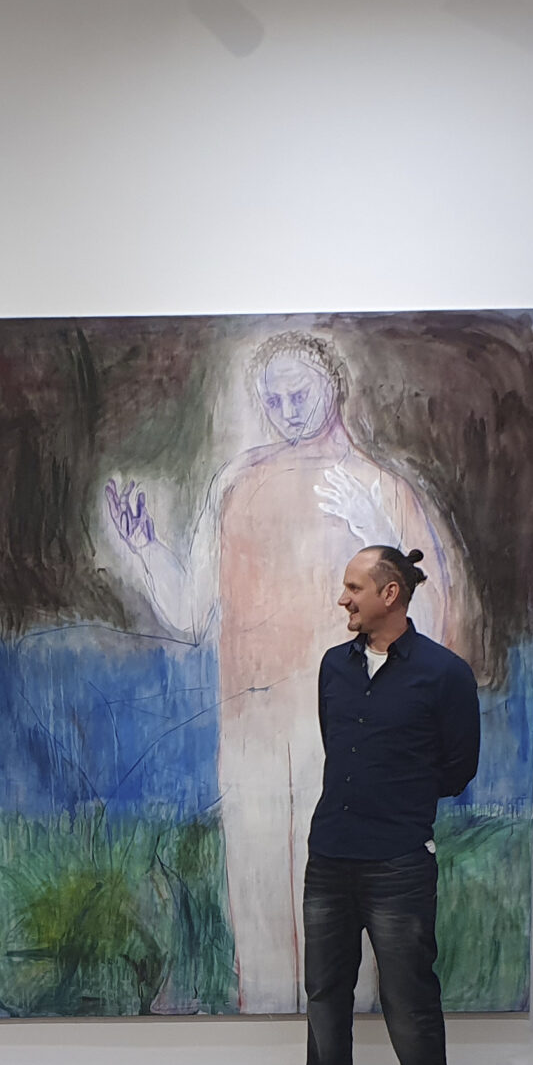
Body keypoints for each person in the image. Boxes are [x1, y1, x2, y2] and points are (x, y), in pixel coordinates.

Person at [105, 332, 468, 1012]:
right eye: (272, 398)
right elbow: (189, 612)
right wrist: (146, 550)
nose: (287, 408)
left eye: (300, 391)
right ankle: (267, 1023)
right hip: (252, 731)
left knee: (349, 911)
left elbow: (436, 625)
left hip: (352, 735)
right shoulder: (236, 484)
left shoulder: (382, 489)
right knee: (259, 895)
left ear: (334, 384)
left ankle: (355, 1032)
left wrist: (379, 532)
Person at [280, 546, 482, 1065]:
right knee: (325, 991)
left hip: (398, 860)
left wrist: (399, 801)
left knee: (409, 995)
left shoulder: (444, 674)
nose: (343, 598)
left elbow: (458, 768)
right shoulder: (333, 667)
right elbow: (337, 747)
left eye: (354, 587)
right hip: (329, 855)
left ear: (389, 594)